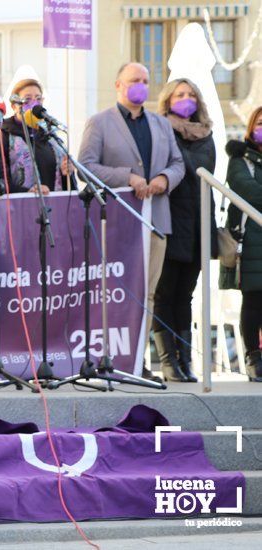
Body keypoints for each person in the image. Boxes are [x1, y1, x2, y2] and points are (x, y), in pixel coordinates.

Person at [78, 62, 185, 382]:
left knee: (148, 292)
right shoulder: (99, 123)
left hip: (155, 219)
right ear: (118, 85)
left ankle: (138, 360)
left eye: (145, 81)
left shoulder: (161, 124)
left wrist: (166, 179)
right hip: (117, 222)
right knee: (115, 292)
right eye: (134, 80)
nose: (141, 85)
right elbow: (85, 166)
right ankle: (110, 356)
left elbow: (178, 162)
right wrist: (127, 178)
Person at [152, 78, 218, 383]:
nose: (186, 99)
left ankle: (185, 359)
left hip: (198, 222)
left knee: (185, 296)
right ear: (168, 100)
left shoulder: (206, 134)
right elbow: (180, 169)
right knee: (164, 294)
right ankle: (168, 361)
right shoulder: (161, 130)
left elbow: (203, 168)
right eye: (180, 94)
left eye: (191, 94)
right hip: (169, 220)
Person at [225, 106, 262, 382]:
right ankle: (253, 357)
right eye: (259, 123)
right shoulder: (240, 158)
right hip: (252, 239)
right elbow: (247, 191)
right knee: (253, 299)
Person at [0, 78, 71, 195]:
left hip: (54, 204)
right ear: (14, 106)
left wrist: (67, 172)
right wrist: (27, 191)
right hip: (20, 205)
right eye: (27, 99)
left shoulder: (50, 134)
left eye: (38, 99)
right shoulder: (4, 133)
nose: (34, 104)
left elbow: (66, 182)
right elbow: (1, 178)